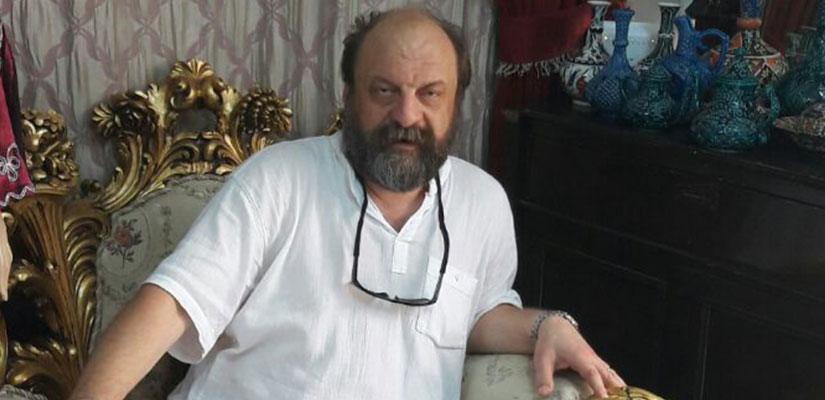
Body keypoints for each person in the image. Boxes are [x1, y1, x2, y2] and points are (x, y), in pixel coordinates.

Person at [69, 7, 625, 400]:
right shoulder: (277, 179)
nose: (407, 115)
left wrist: (546, 325)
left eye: (429, 93)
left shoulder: (484, 203)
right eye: (385, 90)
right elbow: (171, 304)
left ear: (456, 103)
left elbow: (479, 315)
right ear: (349, 95)